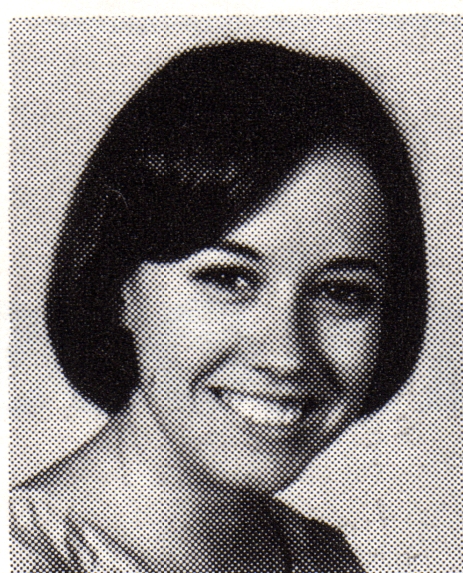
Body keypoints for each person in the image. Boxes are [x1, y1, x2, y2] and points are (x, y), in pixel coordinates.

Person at [10, 41, 427, 572]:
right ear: (119, 286)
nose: (287, 354)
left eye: (342, 293)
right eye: (229, 278)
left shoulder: (324, 560)